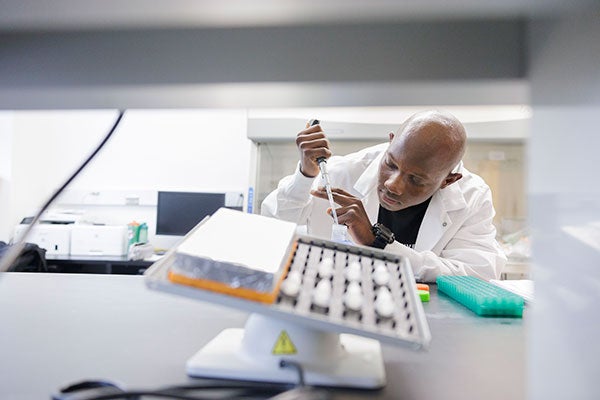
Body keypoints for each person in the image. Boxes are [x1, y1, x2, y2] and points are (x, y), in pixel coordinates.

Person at [261, 110, 505, 282]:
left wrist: (377, 243)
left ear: (448, 181)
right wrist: (305, 175)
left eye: (415, 180)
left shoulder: (473, 196)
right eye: (391, 163)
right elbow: (272, 225)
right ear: (390, 142)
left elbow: (478, 272)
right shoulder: (341, 173)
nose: (393, 185)